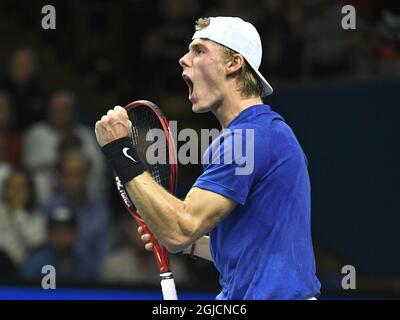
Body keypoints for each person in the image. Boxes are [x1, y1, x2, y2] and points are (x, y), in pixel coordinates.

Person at [95, 17, 321, 299]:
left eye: (199, 50)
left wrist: (121, 151)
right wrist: (187, 245)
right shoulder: (265, 132)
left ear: (233, 63)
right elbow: (248, 249)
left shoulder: (248, 139)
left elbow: (180, 228)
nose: (182, 60)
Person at [22, 205, 97, 281]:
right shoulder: (36, 265)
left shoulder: (87, 264)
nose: (62, 238)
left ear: (76, 235)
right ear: (50, 235)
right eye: (57, 232)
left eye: (66, 232)